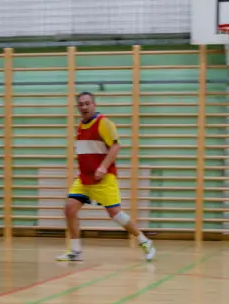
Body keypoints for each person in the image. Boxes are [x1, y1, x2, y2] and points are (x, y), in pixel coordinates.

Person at [58, 92, 156, 262]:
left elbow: (116, 146)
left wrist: (103, 167)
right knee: (69, 208)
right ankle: (75, 251)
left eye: (87, 103)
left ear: (94, 105)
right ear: (77, 107)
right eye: (81, 104)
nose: (84, 107)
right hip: (84, 179)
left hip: (104, 179)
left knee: (116, 214)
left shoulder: (104, 123)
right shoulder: (80, 126)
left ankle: (144, 241)